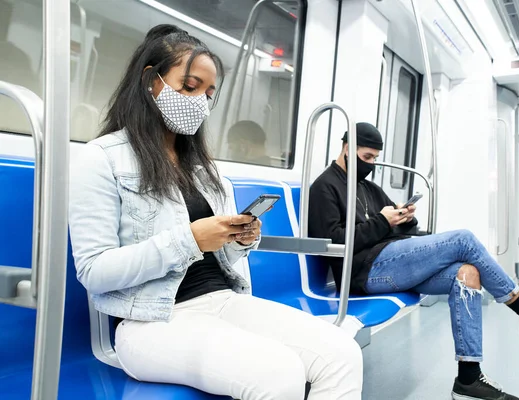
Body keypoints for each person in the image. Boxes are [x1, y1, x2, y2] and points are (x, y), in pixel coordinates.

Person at [68, 25, 362, 400]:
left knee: (342, 354)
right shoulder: (101, 158)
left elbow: (218, 254)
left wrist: (238, 240)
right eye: (189, 87)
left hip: (224, 301)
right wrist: (190, 239)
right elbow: (94, 272)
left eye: (208, 94)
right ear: (150, 80)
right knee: (279, 373)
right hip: (151, 323)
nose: (200, 103)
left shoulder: (205, 168)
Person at [308, 122, 519, 400]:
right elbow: (334, 242)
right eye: (366, 157)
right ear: (347, 147)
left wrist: (405, 218)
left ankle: (468, 377)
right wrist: (384, 222)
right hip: (363, 272)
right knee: (463, 239)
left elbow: (394, 225)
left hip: (391, 259)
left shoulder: (367, 187)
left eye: (375, 159)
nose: (371, 164)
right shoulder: (324, 187)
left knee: (467, 273)